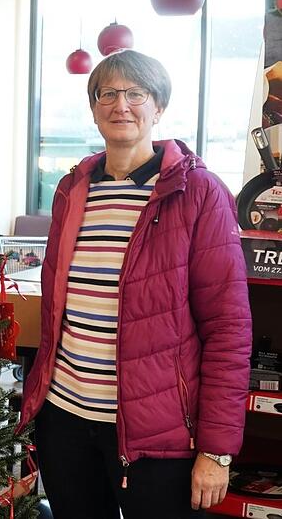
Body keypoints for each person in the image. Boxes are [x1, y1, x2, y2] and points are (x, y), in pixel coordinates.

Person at [17, 49, 252, 518]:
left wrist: (217, 450)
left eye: (136, 93)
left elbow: (228, 328)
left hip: (157, 433)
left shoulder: (198, 192)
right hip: (64, 417)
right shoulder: (73, 188)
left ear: (158, 107)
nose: (120, 105)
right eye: (107, 93)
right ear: (94, 107)